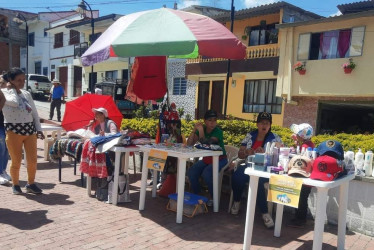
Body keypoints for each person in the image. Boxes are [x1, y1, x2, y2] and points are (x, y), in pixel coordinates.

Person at [230, 112, 282, 228]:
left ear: (270, 125)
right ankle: (237, 201)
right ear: (257, 124)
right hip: (250, 165)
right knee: (237, 176)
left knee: (257, 182)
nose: (264, 126)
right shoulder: (250, 135)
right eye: (262, 123)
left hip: (266, 169)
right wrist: (247, 152)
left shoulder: (274, 138)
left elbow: (281, 151)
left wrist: (266, 151)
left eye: (267, 123)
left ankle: (264, 213)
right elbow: (240, 154)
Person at [1, 68, 45, 194]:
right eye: (18, 80)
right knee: (16, 160)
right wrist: (12, 89)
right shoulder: (4, 92)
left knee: (32, 160)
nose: (22, 83)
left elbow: (34, 113)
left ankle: (31, 183)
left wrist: (39, 129)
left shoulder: (26, 94)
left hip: (30, 130)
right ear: (10, 80)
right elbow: (14, 103)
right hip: (13, 131)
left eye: (23, 80)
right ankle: (15, 184)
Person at [187, 109, 228, 206]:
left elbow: (206, 143)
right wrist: (194, 130)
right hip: (207, 159)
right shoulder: (203, 129)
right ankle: (198, 195)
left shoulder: (218, 132)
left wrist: (200, 130)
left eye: (214, 120)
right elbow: (189, 144)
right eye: (210, 120)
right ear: (205, 121)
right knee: (192, 171)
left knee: (207, 173)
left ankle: (213, 197)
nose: (213, 123)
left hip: (220, 159)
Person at [288, 123, 315, 228]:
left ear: (302, 136)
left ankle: (301, 219)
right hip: (306, 175)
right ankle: (299, 217)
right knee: (302, 198)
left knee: (301, 199)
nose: (296, 135)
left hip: (303, 175)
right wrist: (297, 141)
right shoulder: (309, 144)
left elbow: (300, 158)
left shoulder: (305, 146)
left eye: (297, 134)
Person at [0, 74, 10, 185]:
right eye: (0, 83)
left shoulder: (10, 95)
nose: (2, 85)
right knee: (1, 145)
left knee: (7, 149)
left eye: (4, 83)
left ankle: (3, 170)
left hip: (8, 125)